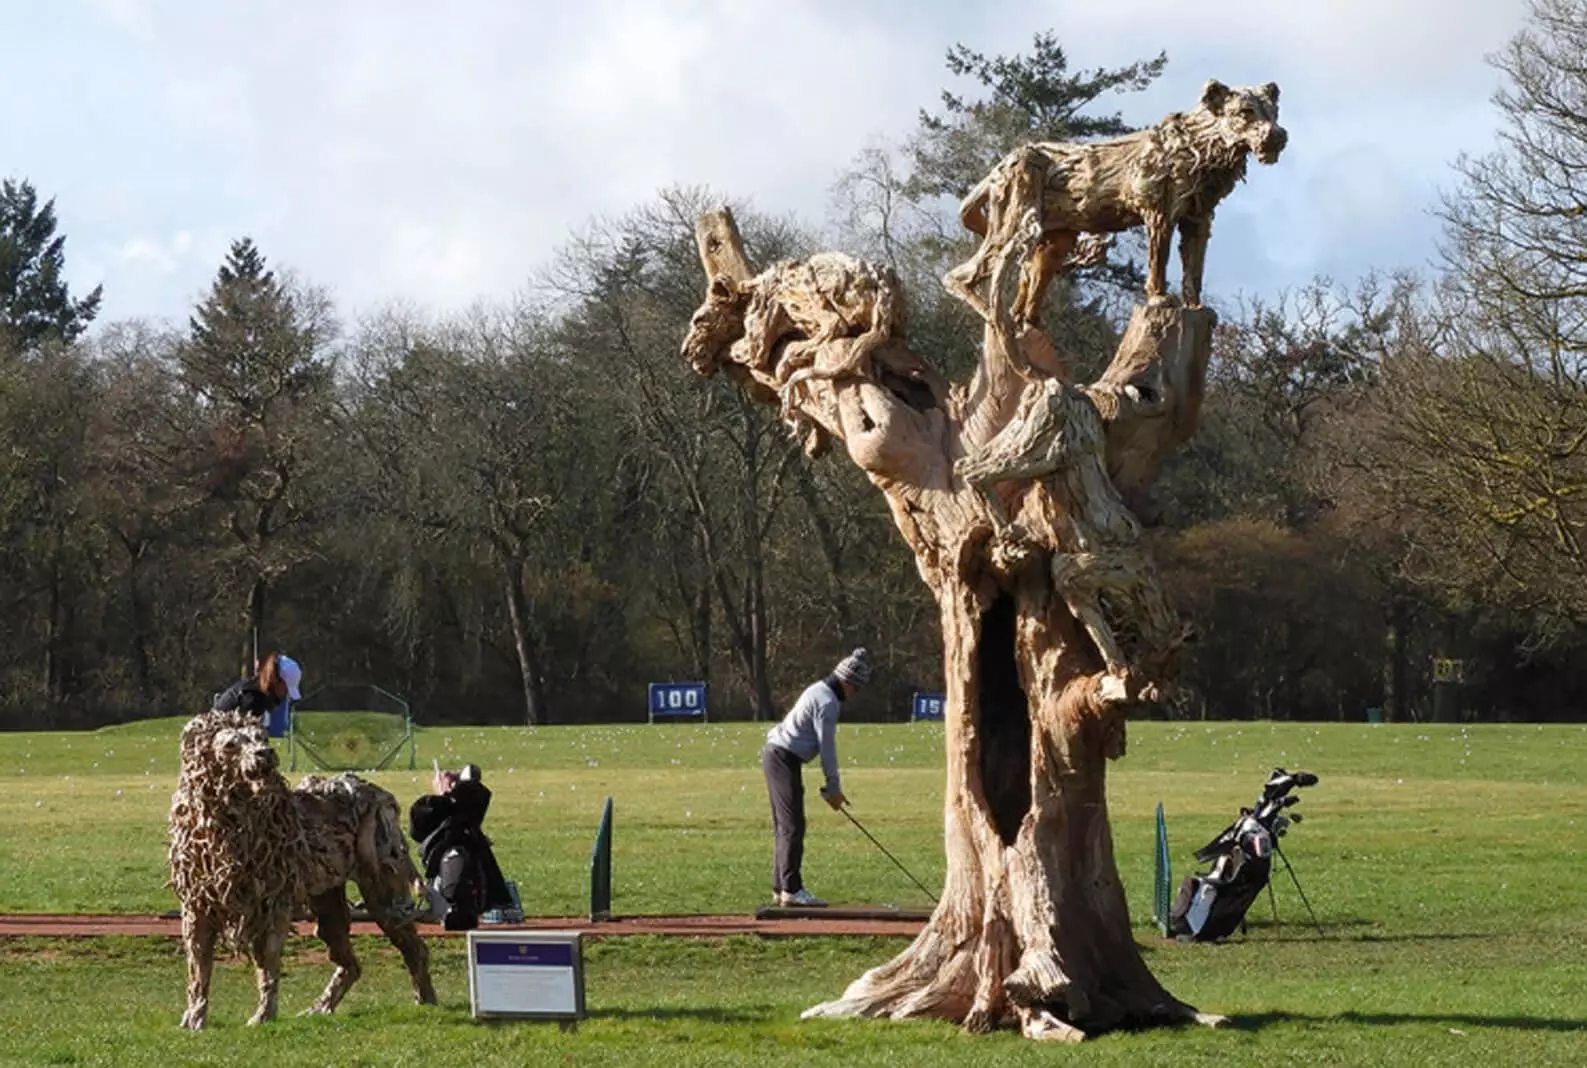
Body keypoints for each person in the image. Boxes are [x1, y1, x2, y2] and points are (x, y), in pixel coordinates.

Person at [761, 647, 871, 907]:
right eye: (856, 688)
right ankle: (791, 889)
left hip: (778, 756)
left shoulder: (818, 689)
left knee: (785, 825)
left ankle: (780, 887)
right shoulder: (828, 702)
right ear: (847, 682)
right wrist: (834, 786)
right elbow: (827, 748)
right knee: (792, 825)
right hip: (782, 758)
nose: (855, 695)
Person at [409, 763, 513, 930]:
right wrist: (445, 794)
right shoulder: (458, 807)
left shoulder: (471, 801)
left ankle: (453, 908)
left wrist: (445, 792)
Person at [211, 651, 302, 736]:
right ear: (275, 680)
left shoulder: (257, 690)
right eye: (286, 689)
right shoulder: (252, 699)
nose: (285, 694)